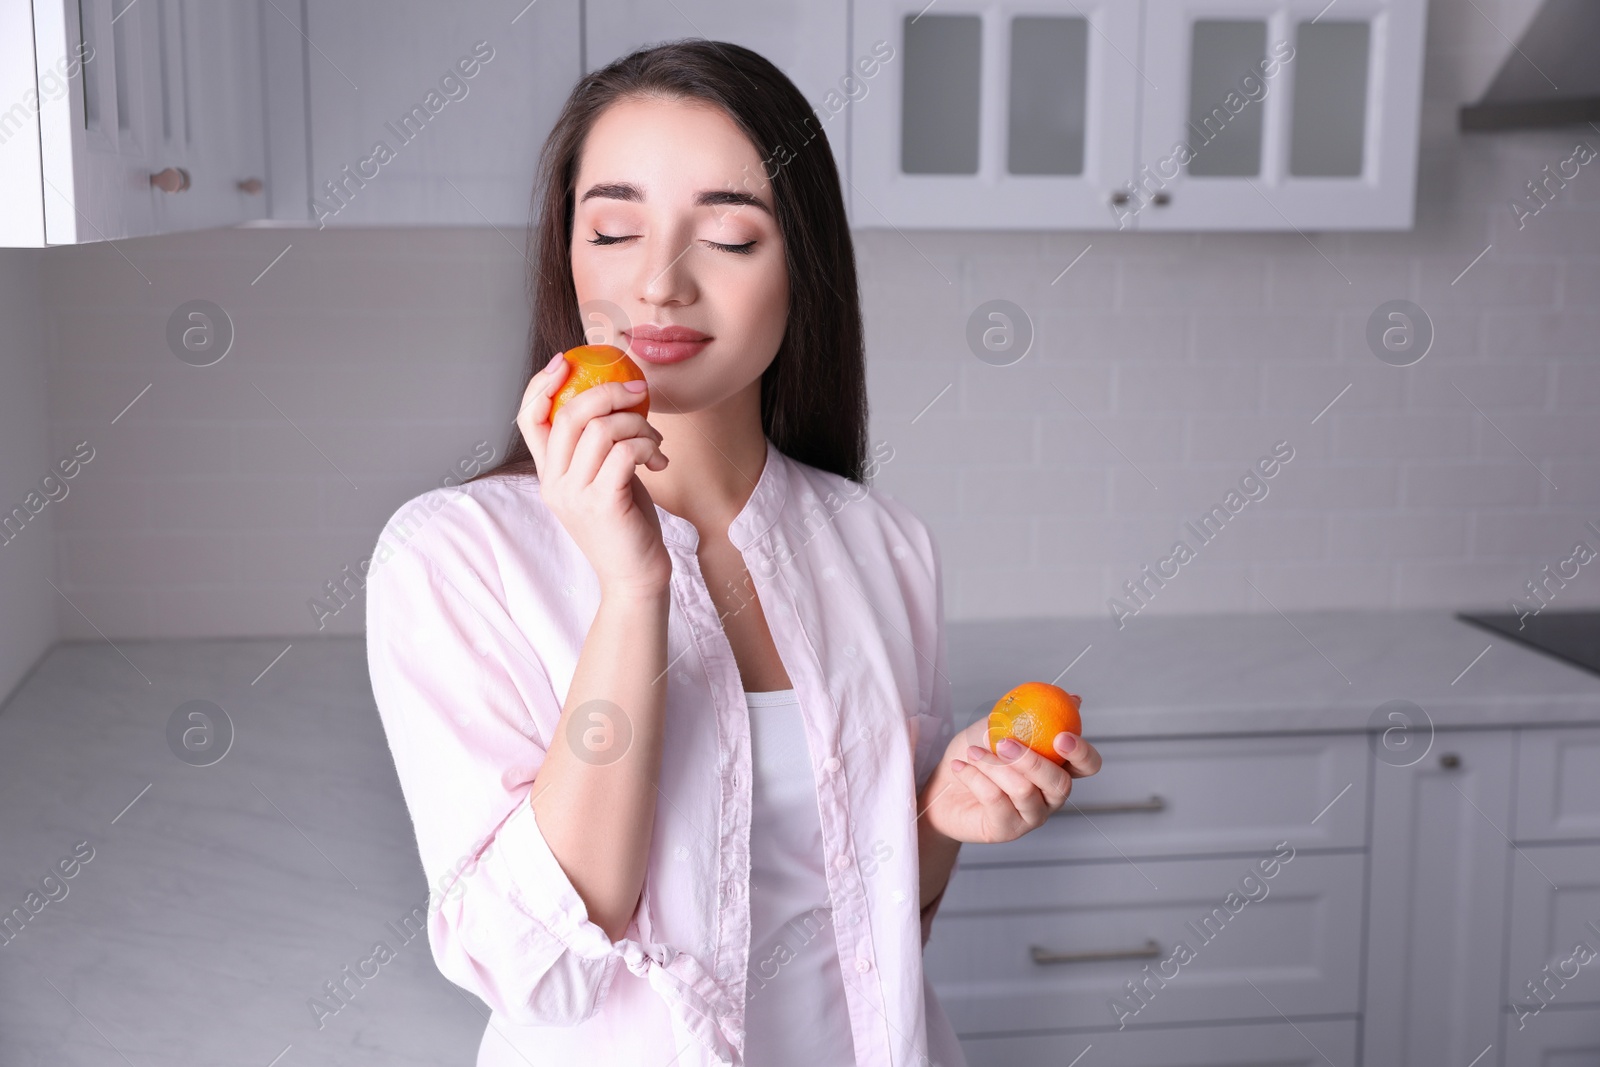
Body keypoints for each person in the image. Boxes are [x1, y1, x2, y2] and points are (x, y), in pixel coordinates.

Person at [365, 39, 1102, 1067]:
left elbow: (879, 924)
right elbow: (537, 972)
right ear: (566, 254)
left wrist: (939, 818)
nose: (657, 285)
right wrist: (632, 589)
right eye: (613, 229)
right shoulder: (454, 556)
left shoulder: (881, 546)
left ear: (804, 269)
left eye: (727, 237)